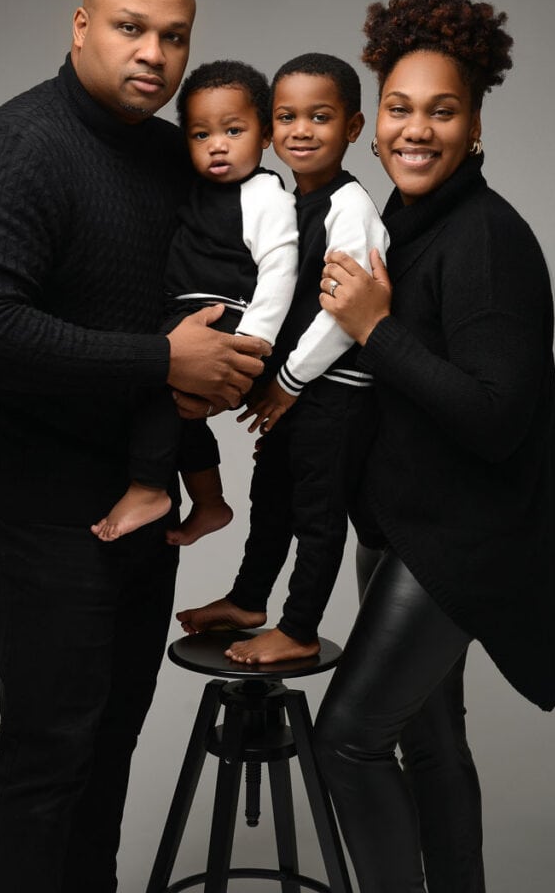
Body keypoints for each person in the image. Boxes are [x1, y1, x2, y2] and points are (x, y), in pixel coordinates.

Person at [0, 0, 270, 893]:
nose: (155, 55)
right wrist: (166, 358)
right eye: (131, 28)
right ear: (80, 26)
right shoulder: (13, 147)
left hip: (143, 481)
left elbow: (229, 278)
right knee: (55, 744)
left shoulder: (176, 157)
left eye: (174, 36)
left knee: (114, 735)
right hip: (34, 488)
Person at [313, 0, 555, 893]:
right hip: (400, 526)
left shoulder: (486, 239)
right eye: (397, 108)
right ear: (372, 121)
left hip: (462, 538)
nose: (414, 130)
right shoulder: (398, 228)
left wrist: (376, 330)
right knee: (428, 739)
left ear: (472, 127)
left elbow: (498, 419)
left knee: (345, 737)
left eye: (441, 111)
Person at [177, 53, 389, 664]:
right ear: (271, 129)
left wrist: (288, 381)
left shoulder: (350, 206)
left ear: (352, 128)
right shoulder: (286, 200)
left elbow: (345, 314)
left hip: (336, 390)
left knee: (318, 514)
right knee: (272, 497)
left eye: (319, 118)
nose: (301, 131)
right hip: (298, 391)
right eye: (287, 117)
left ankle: (298, 628)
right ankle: (249, 600)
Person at [91, 60, 298, 544]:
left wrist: (254, 342)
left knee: (151, 383)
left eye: (233, 129)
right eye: (201, 135)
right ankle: (209, 502)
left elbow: (279, 269)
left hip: (227, 316)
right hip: (183, 310)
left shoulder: (265, 195)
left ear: (265, 135)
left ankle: (148, 487)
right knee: (176, 410)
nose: (218, 144)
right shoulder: (197, 189)